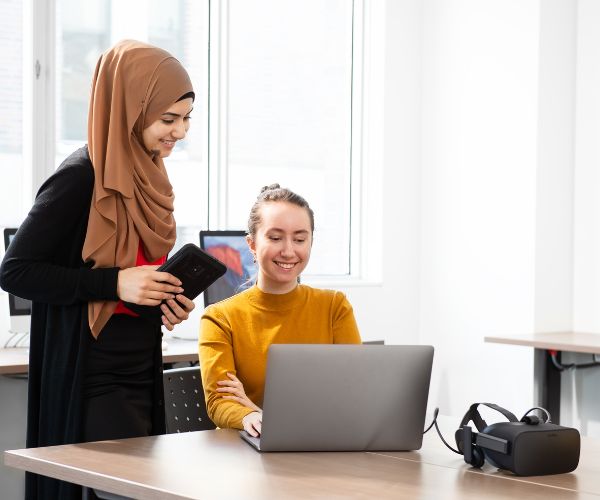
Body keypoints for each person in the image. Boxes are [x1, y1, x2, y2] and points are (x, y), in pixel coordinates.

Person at [0, 40, 196, 500]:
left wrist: (162, 300)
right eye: (168, 119)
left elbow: (134, 281)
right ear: (129, 107)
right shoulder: (80, 176)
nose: (180, 132)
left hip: (139, 364)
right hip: (91, 374)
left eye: (186, 119)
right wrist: (115, 282)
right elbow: (16, 270)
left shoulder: (149, 173)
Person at [199, 184, 362, 437]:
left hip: (320, 446)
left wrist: (258, 409)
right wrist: (250, 416)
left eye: (299, 239)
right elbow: (220, 403)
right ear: (251, 244)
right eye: (275, 238)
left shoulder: (335, 307)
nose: (288, 251)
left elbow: (351, 393)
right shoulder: (220, 317)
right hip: (249, 451)